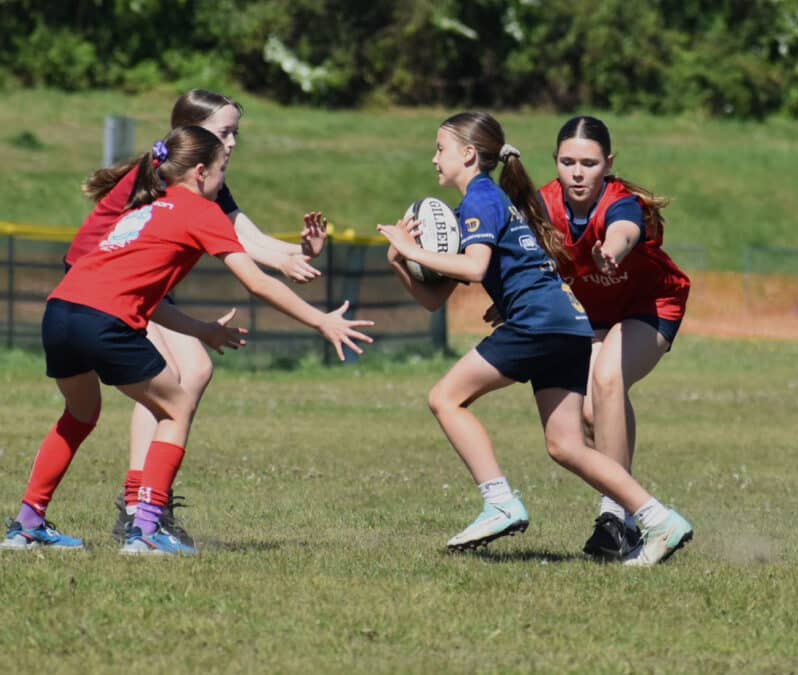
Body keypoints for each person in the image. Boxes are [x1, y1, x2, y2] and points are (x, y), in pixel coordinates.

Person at [1, 126, 373, 555]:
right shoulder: (201, 211)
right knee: (176, 408)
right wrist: (320, 321)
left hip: (60, 312)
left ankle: (26, 526)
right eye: (222, 169)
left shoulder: (145, 208)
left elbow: (146, 299)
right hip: (101, 320)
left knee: (80, 414)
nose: (223, 179)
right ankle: (145, 532)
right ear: (200, 172)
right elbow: (257, 283)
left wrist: (202, 330)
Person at [377, 111, 692, 566]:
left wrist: (413, 250)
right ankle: (659, 520)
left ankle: (499, 501)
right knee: (564, 445)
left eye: (440, 149)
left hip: (538, 322)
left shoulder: (482, 198)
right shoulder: (491, 202)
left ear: (468, 154)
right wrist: (397, 260)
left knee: (445, 398)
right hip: (570, 323)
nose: (434, 159)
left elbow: (475, 268)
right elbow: (433, 299)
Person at [69, 90, 329, 544]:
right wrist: (284, 263)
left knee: (193, 371)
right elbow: (241, 246)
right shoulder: (166, 177)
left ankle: (145, 502)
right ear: (192, 133)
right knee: (174, 380)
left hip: (126, 288)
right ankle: (140, 505)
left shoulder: (203, 178)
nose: (231, 143)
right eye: (224, 133)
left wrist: (297, 252)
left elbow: (247, 236)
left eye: (235, 134)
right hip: (105, 288)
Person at [535, 116, 690, 560]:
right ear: (556, 163)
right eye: (568, 162)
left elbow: (625, 229)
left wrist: (612, 249)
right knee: (590, 410)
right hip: (594, 315)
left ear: (608, 164)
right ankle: (629, 515)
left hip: (651, 305)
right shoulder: (544, 204)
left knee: (607, 381)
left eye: (589, 162)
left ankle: (617, 518)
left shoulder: (620, 203)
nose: (578, 172)